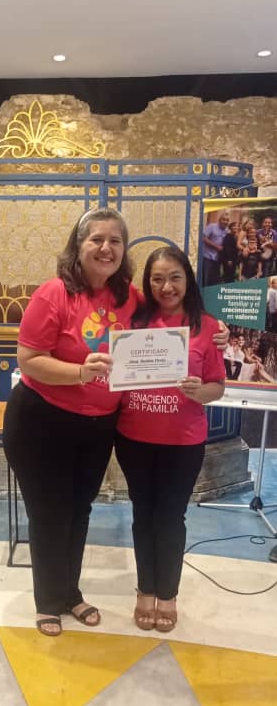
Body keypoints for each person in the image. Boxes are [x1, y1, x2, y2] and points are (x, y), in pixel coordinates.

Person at [3, 207, 155, 637]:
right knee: (50, 513)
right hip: (41, 423)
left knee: (79, 511)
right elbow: (29, 361)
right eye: (96, 239)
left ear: (124, 252)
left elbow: (171, 321)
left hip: (97, 426)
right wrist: (80, 373)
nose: (106, 248)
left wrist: (214, 331)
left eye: (115, 241)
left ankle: (69, 592)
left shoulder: (129, 298)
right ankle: (48, 601)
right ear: (79, 245)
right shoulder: (54, 294)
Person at [114, 246, 225, 633]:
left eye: (175, 277)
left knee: (171, 517)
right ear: (148, 283)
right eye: (157, 278)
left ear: (188, 280)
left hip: (183, 441)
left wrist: (200, 391)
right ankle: (145, 591)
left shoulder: (208, 328)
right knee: (144, 515)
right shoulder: (132, 320)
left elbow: (218, 387)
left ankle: (168, 595)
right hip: (134, 438)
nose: (166, 286)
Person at [202, 212, 229, 287]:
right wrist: (216, 246)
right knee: (205, 279)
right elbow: (203, 238)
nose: (225, 222)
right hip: (207, 257)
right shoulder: (212, 226)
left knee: (214, 281)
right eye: (224, 220)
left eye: (227, 220)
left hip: (217, 260)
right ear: (219, 220)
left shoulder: (227, 231)